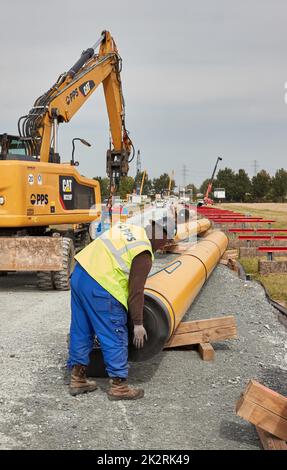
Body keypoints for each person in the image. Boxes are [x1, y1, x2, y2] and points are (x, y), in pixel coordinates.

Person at [67, 216, 175, 400]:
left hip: (80, 275)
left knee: (81, 329)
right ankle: (119, 387)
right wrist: (139, 324)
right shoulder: (143, 252)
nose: (163, 246)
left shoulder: (129, 229)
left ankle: (78, 378)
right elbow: (136, 291)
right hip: (100, 286)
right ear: (162, 237)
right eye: (166, 241)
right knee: (115, 332)